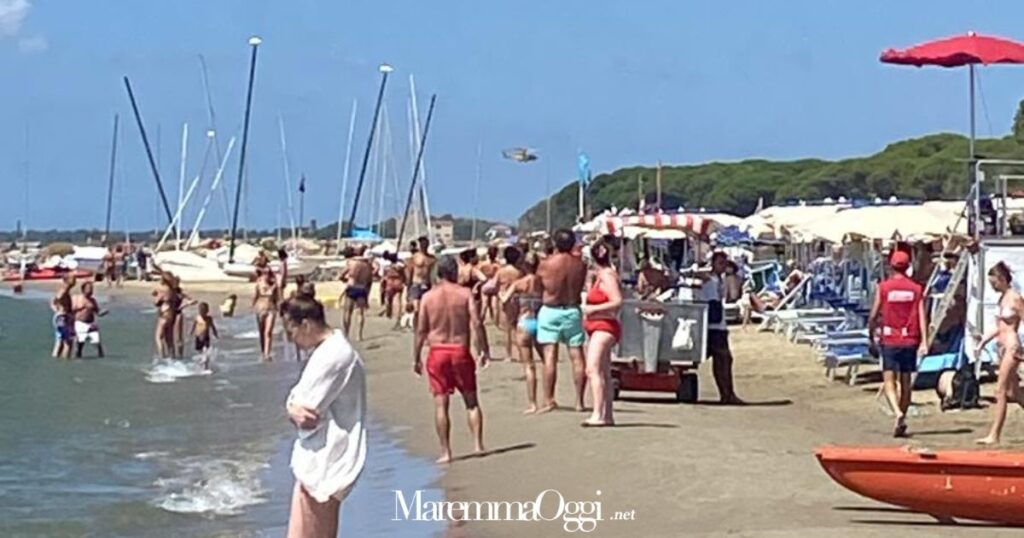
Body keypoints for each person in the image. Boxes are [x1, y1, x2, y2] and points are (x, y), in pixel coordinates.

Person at [282, 296, 367, 538]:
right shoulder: (332, 351)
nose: (291, 339)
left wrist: (291, 408)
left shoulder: (334, 356)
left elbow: (304, 410)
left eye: (291, 331)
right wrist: (292, 406)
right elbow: (296, 401)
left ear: (306, 324)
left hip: (323, 464)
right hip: (324, 461)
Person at [413, 256, 490, 463]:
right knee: (471, 402)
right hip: (460, 350)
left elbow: (420, 330)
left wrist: (416, 357)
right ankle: (478, 444)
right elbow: (476, 322)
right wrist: (484, 349)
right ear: (454, 272)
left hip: (437, 352)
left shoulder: (428, 297)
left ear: (438, 273)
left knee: (441, 405)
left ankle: (446, 452)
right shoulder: (464, 294)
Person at [868, 251, 927, 438]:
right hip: (909, 338)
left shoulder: (884, 287)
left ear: (891, 266)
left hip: (890, 338)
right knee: (906, 382)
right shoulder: (916, 288)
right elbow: (921, 315)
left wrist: (871, 332)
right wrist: (924, 340)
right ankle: (901, 419)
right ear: (908, 266)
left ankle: (897, 411)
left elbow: (874, 313)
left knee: (889, 381)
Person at [535, 229, 588, 413]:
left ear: (555, 244)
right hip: (572, 309)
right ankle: (579, 401)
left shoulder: (546, 265)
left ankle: (549, 399)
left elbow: (538, 287)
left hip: (551, 309)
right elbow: (580, 285)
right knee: (577, 356)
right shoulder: (581, 265)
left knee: (550, 356)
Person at [974, 262, 1024, 445]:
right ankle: (994, 434)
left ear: (1002, 279)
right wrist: (983, 342)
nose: (992, 286)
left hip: (1012, 347)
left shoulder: (1015, 298)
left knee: (1000, 390)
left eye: (994, 282)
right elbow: (999, 327)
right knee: (1013, 391)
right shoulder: (1002, 298)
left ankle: (994, 434)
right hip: (1001, 347)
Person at [581, 239, 622, 426]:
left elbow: (617, 301)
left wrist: (592, 310)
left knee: (592, 369)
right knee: (603, 371)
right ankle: (608, 414)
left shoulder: (607, 275)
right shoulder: (601, 276)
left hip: (604, 326)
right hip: (598, 326)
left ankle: (598, 414)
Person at [696, 252, 744, 404]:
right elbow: (712, 303)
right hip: (714, 326)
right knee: (723, 359)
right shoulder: (710, 280)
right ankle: (727, 394)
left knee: (723, 361)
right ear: (713, 264)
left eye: (724, 263)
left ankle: (727, 393)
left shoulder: (719, 280)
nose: (723, 267)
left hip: (717, 324)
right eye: (720, 263)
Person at [500, 251, 543, 414]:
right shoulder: (542, 282)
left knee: (529, 366)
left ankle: (533, 403)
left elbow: (504, 299)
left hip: (524, 321)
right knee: (546, 361)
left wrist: (500, 294)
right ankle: (549, 398)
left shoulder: (519, 283)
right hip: (540, 321)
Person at [494, 247, 524, 360]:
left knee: (507, 329)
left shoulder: (501, 271)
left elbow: (495, 284)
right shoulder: (519, 272)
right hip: (517, 299)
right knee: (517, 327)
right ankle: (521, 352)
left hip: (505, 299)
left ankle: (509, 355)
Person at [339, 246, 373, 341]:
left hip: (352, 287)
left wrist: (345, 279)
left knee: (347, 312)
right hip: (362, 288)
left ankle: (346, 334)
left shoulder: (351, 262)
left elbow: (341, 275)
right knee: (360, 313)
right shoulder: (367, 264)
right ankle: (359, 335)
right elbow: (369, 280)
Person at [72, 281, 107, 358]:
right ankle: (78, 359)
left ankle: (101, 358)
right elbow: (71, 311)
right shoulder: (77, 299)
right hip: (80, 323)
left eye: (92, 289)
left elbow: (97, 312)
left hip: (91, 323)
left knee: (97, 343)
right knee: (80, 344)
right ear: (83, 289)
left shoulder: (93, 300)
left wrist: (104, 312)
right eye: (89, 289)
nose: (91, 291)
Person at [253, 269, 281, 361]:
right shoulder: (259, 283)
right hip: (260, 308)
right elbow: (255, 296)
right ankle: (263, 351)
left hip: (271, 309)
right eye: (264, 273)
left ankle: (267, 353)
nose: (266, 275)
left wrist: (279, 308)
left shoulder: (275, 285)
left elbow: (277, 298)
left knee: (268, 332)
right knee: (262, 331)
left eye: (268, 273)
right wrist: (253, 306)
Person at [407, 236, 436, 315]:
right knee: (416, 308)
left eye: (425, 243)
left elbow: (434, 274)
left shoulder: (432, 258)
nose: (424, 245)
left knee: (426, 308)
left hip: (427, 283)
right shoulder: (415, 256)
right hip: (416, 283)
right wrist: (408, 288)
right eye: (422, 243)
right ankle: (417, 325)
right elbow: (410, 272)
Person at [51, 274, 76, 358]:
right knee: (68, 342)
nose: (75, 280)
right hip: (63, 317)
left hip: (62, 317)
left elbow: (53, 301)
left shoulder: (65, 290)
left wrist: (56, 309)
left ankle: (57, 360)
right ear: (67, 280)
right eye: (73, 279)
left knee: (60, 341)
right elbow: (56, 299)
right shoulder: (64, 290)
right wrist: (60, 310)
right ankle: (65, 361)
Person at [479, 246, 502, 324]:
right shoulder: (498, 265)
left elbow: (478, 273)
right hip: (494, 285)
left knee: (484, 305)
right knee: (494, 305)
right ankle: (496, 322)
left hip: (485, 285)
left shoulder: (483, 264)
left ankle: (481, 321)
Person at [192, 302, 219, 368]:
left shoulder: (209, 318)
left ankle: (206, 365)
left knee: (206, 351)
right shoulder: (197, 318)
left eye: (204, 311)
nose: (202, 313)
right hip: (198, 337)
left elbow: (213, 327)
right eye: (201, 311)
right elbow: (193, 326)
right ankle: (201, 364)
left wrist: (215, 334)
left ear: (207, 311)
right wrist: (191, 334)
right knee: (200, 351)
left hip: (206, 337)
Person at [381, 253, 407, 320]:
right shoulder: (400, 268)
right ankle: (398, 316)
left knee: (388, 299)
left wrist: (382, 285)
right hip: (398, 283)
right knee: (398, 300)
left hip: (389, 283)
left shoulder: (387, 267)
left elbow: (383, 277)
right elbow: (404, 275)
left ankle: (388, 314)